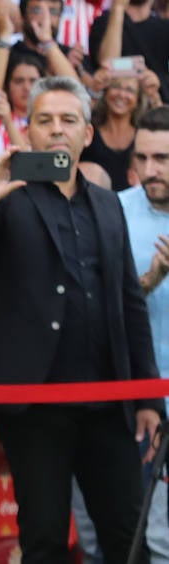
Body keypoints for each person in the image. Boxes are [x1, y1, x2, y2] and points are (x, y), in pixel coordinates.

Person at [0, 76, 164, 564]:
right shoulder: (5, 192)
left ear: (88, 132)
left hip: (108, 398)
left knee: (128, 538)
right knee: (42, 537)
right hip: (34, 400)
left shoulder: (108, 204)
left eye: (68, 120)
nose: (56, 130)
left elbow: (128, 300)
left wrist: (146, 394)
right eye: (45, 120)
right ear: (28, 130)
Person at [121, 107, 169, 560]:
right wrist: (149, 283)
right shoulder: (113, 211)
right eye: (143, 158)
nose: (150, 170)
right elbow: (98, 309)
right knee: (139, 539)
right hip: (138, 404)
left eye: (163, 158)